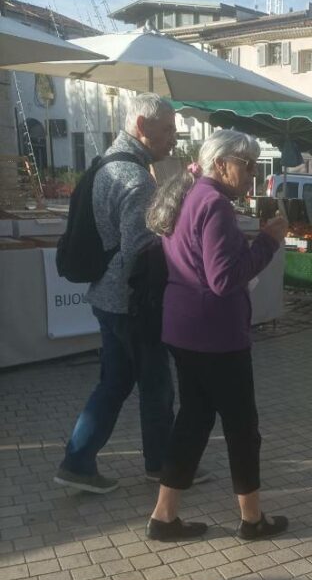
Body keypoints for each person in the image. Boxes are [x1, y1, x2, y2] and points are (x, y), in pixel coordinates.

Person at [143, 130, 289, 542]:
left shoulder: (190, 196)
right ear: (221, 164)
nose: (252, 174)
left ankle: (164, 516)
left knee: (193, 420)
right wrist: (268, 242)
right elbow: (224, 279)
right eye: (247, 165)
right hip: (216, 336)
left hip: (185, 328)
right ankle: (252, 519)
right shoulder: (215, 205)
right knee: (242, 427)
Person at [55, 93, 179, 494]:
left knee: (114, 383)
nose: (173, 140)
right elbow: (141, 254)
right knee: (157, 385)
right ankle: (162, 467)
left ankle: (77, 462)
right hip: (131, 302)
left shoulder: (107, 164)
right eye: (167, 131)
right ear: (141, 127)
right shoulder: (135, 178)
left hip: (105, 298)